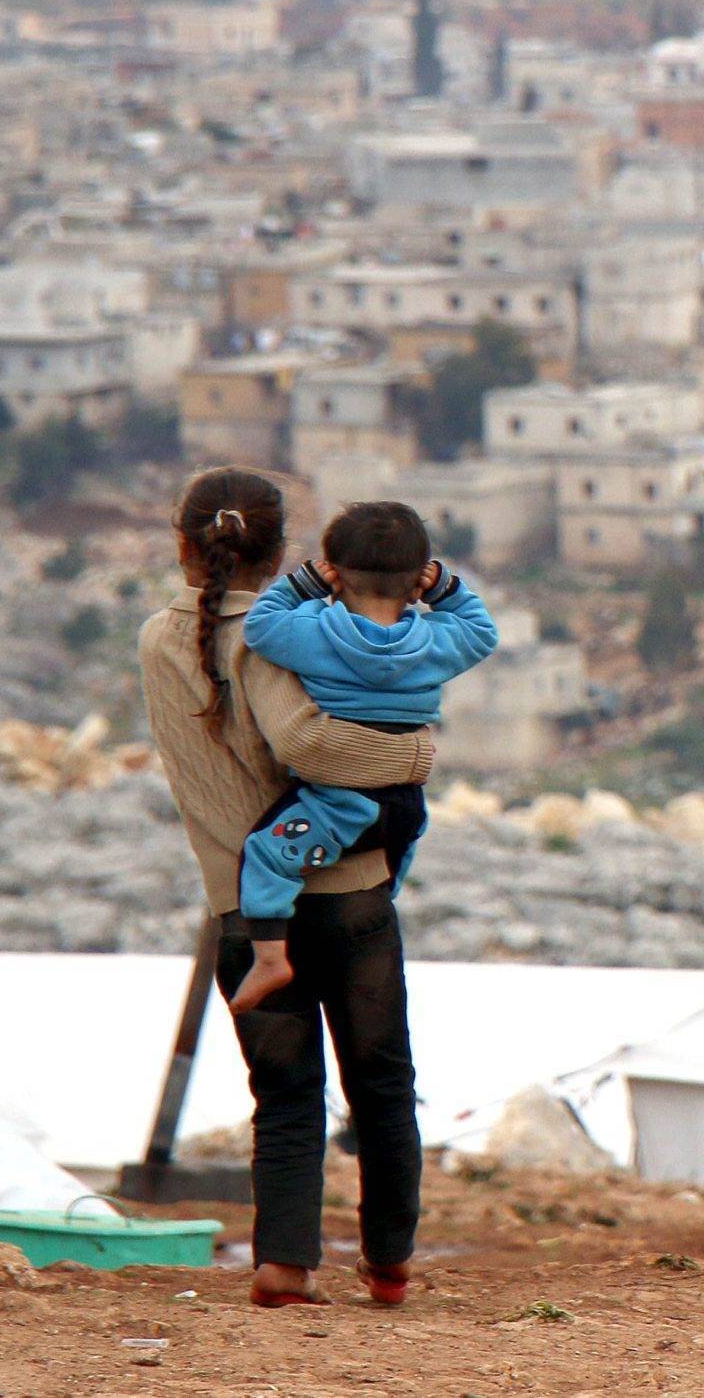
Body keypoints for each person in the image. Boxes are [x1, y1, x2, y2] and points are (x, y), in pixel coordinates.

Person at [138, 468, 435, 1310]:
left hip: (240, 902)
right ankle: (387, 1263)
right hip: (347, 895)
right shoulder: (289, 636)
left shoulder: (157, 640)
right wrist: (413, 759)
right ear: (280, 552)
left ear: (184, 545)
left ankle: (283, 1261)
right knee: (380, 1082)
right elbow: (312, 749)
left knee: (284, 1089)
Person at [231, 502, 497, 1015]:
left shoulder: (313, 635)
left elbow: (260, 625)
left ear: (335, 572)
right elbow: (482, 630)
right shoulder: (437, 642)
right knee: (385, 877)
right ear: (417, 577)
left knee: (265, 854)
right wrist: (443, 588)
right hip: (405, 805)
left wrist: (304, 583)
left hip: (340, 804)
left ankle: (269, 958)